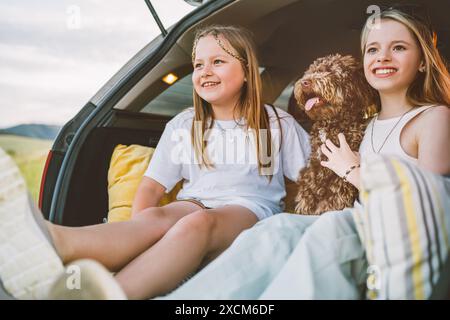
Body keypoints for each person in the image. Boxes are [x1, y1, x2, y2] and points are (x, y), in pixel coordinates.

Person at [0, 25, 310, 300]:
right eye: (198, 64)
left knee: (198, 223)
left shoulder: (275, 122)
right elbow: (150, 188)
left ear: (246, 70)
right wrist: (143, 238)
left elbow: (312, 179)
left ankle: (116, 293)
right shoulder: (184, 124)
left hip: (251, 210)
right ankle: (51, 239)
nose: (205, 71)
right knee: (157, 218)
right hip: (196, 202)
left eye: (218, 61)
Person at [161, 8, 450, 300]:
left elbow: (427, 206)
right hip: (349, 223)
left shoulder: (434, 118)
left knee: (322, 236)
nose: (383, 57)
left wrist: (352, 170)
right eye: (373, 49)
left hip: (387, 235)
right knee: (274, 229)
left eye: (398, 48)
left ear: (423, 61)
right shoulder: (365, 127)